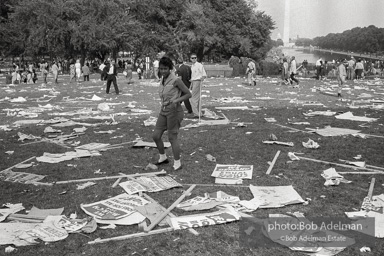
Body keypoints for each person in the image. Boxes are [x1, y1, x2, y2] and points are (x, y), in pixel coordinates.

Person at [152, 56, 191, 171]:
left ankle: (177, 162)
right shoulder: (162, 79)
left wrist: (176, 101)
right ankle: (163, 157)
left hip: (174, 111)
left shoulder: (176, 80)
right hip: (164, 110)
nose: (163, 71)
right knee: (156, 136)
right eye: (161, 69)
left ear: (170, 69)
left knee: (172, 137)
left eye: (165, 69)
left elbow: (188, 94)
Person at [190, 53, 207, 118]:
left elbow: (204, 75)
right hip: (193, 81)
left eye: (195, 58)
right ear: (190, 59)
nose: (194, 59)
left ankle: (196, 114)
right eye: (192, 58)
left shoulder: (199, 65)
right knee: (197, 98)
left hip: (197, 81)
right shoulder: (192, 66)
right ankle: (199, 113)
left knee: (193, 98)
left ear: (196, 58)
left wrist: (201, 80)